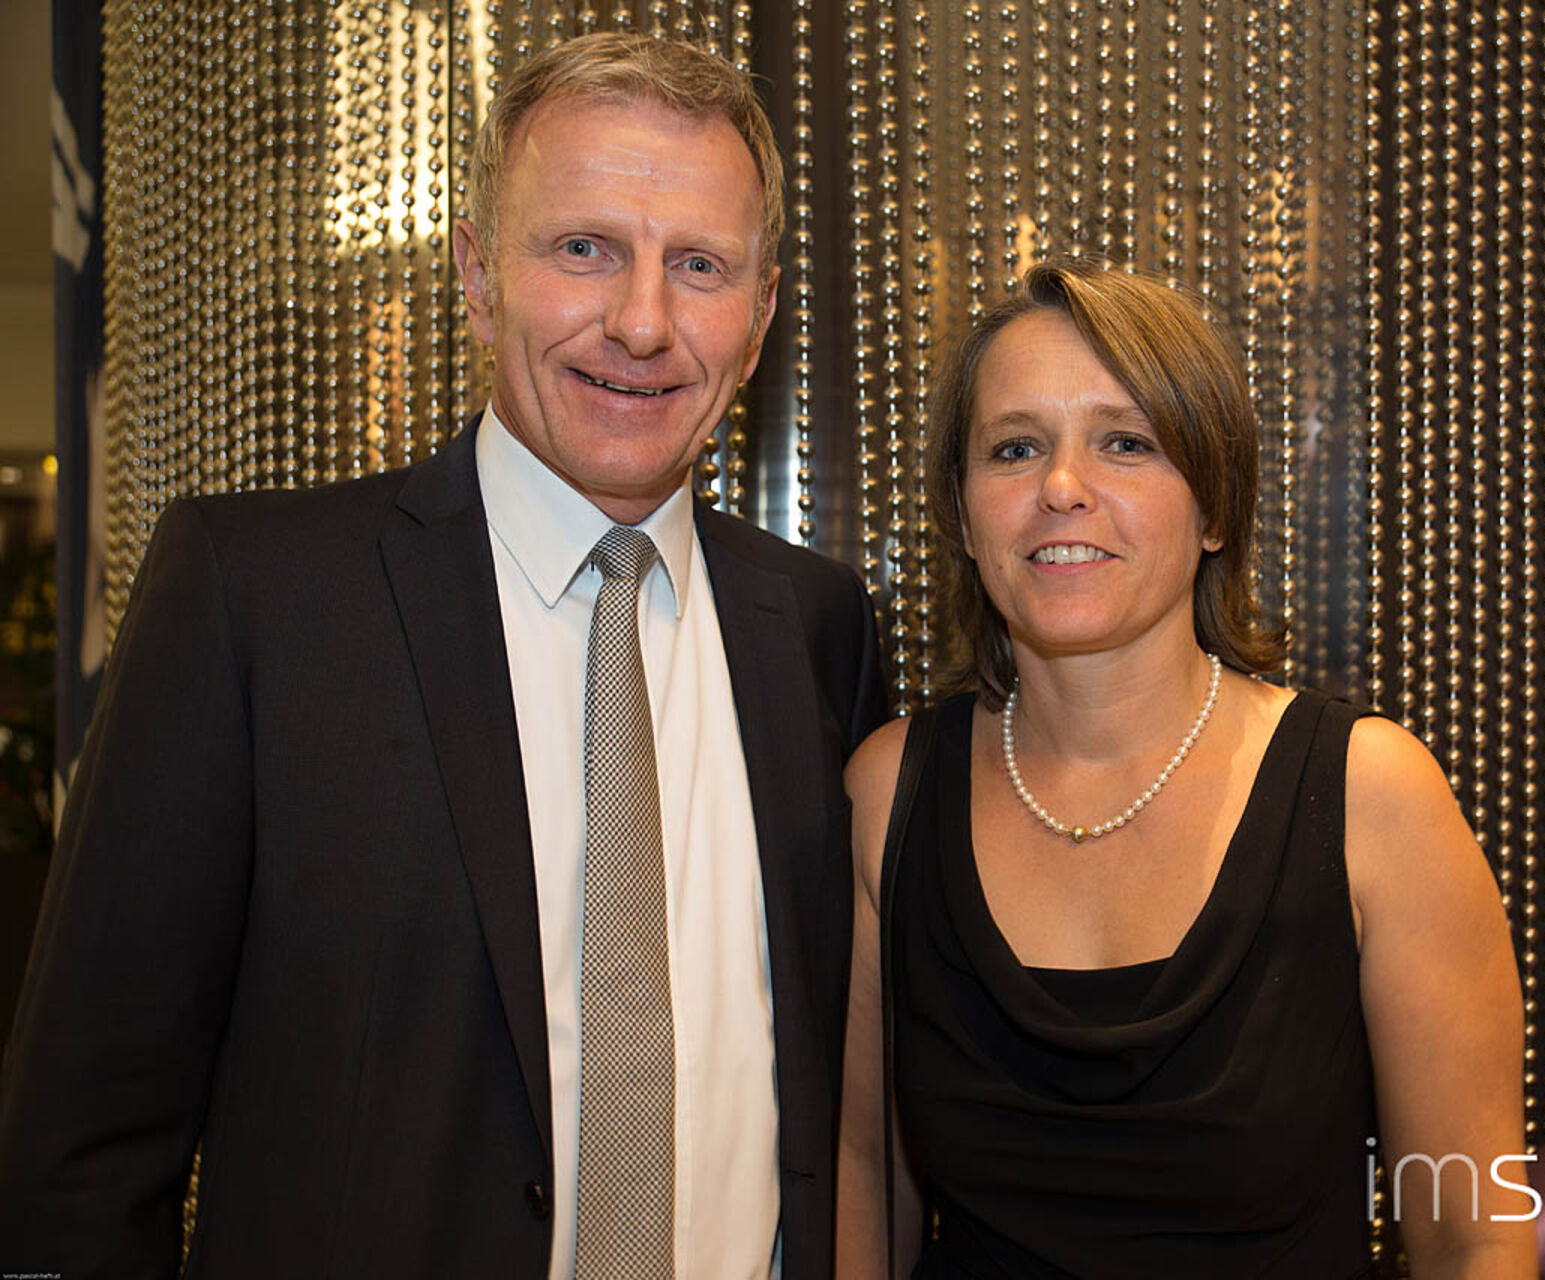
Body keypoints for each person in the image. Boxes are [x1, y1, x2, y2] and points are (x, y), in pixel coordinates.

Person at [0, 33, 884, 1280]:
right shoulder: (256, 599)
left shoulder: (821, 627)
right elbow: (85, 1150)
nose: (642, 321)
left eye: (699, 264)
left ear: (760, 315)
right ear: (477, 273)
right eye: (584, 248)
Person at [835, 259, 1535, 1277]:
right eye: (1015, 448)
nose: (1061, 487)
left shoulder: (1370, 795)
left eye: (1126, 442)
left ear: (1215, 508)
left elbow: (1475, 1238)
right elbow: (864, 1179)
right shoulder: (887, 793)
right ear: (964, 514)